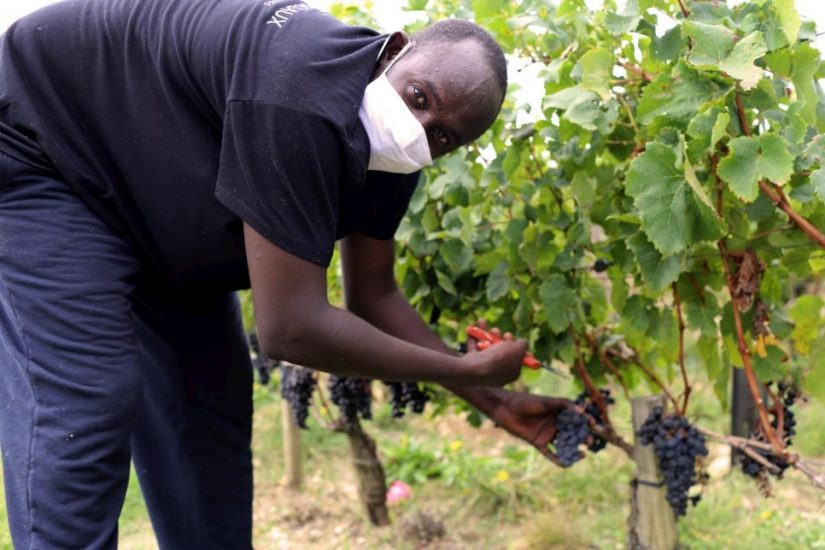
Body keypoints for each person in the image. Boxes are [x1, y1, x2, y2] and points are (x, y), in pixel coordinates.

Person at [0, 0, 569, 547]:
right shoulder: (299, 87)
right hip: (45, 143)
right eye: (419, 97)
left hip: (154, 207)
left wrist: (495, 400)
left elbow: (374, 296)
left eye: (445, 136)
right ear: (394, 50)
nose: (421, 128)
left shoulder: (397, 154)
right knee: (86, 401)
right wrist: (463, 371)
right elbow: (290, 328)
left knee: (208, 416)